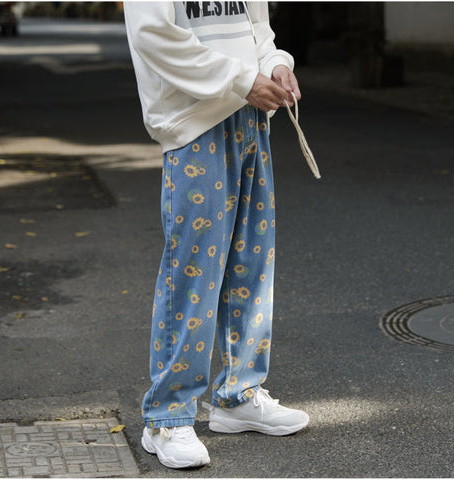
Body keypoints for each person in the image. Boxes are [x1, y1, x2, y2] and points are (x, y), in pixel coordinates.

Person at [124, 1, 310, 469]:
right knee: (193, 273)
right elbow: (152, 34)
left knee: (251, 264)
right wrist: (244, 81)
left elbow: (256, 31)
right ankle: (166, 416)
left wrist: (276, 64)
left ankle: (238, 395)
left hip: (251, 118)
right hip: (194, 125)